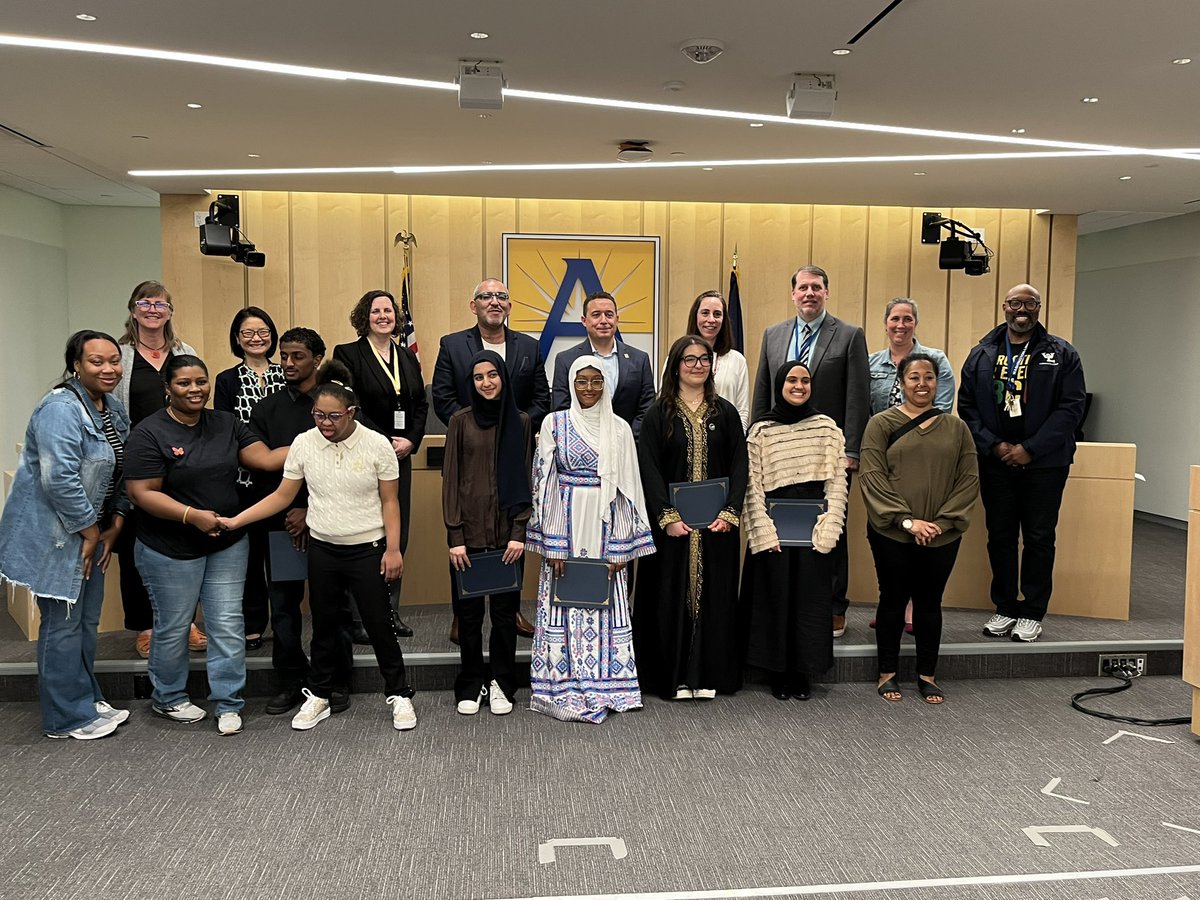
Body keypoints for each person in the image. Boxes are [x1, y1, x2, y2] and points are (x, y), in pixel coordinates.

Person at [218, 361, 418, 733]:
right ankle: (320, 695)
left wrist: (393, 550)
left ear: (351, 413)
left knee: (379, 626)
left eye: (333, 417)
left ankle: (400, 693)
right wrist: (237, 521)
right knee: (324, 627)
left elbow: (390, 501)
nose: (325, 424)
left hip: (368, 549)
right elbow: (282, 496)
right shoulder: (304, 443)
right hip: (324, 550)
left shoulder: (376, 445)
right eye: (318, 416)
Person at [124, 354, 288, 736]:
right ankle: (168, 698)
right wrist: (190, 515)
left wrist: (316, 438)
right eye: (184, 383)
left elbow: (263, 459)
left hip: (227, 542)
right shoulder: (149, 432)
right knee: (174, 625)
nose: (195, 389)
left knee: (228, 623)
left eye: (201, 381)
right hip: (168, 546)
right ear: (168, 387)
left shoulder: (225, 422)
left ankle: (228, 701)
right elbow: (141, 492)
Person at [0, 332, 131, 740]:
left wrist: (112, 527)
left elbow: (122, 469)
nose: (108, 369)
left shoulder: (112, 407)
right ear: (76, 365)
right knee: (62, 624)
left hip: (93, 532)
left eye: (114, 360)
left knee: (85, 622)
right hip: (60, 535)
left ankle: (84, 698)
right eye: (96, 361)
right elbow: (59, 479)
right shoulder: (60, 408)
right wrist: (90, 531)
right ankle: (64, 718)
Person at [526, 356, 656, 723]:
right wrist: (553, 541)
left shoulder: (618, 429)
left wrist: (621, 546)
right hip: (566, 527)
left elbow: (630, 489)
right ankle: (561, 682)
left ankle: (608, 684)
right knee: (564, 600)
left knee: (606, 598)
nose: (588, 388)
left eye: (596, 381)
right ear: (570, 383)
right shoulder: (554, 423)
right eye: (581, 381)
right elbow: (544, 483)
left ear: (607, 385)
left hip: (606, 529)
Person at [958, 283, 1086, 643]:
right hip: (995, 462)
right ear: (1004, 307)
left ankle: (1032, 611)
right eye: (1015, 303)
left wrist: (1031, 448)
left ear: (1039, 308)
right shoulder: (982, 353)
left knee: (1039, 537)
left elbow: (1072, 407)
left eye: (1029, 303)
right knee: (999, 536)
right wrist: (994, 446)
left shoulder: (1061, 354)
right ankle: (1004, 606)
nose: (1022, 309)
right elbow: (966, 406)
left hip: (1045, 464)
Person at [751, 265, 869, 639]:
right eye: (803, 287)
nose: (809, 293)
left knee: (831, 526)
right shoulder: (774, 335)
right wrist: (755, 438)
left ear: (826, 293)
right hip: (778, 453)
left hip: (825, 453)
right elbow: (762, 390)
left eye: (816, 287)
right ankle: (782, 603)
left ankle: (834, 606)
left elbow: (857, 395)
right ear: (793, 294)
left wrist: (851, 449)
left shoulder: (849, 336)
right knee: (778, 525)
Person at [431, 277, 548, 642]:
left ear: (509, 306)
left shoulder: (529, 346)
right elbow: (442, 395)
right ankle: (462, 615)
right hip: (469, 451)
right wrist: (471, 428)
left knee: (507, 537)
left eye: (501, 296)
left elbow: (542, 397)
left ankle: (509, 612)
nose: (494, 302)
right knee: (468, 540)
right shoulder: (452, 344)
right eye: (486, 296)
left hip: (515, 450)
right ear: (474, 305)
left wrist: (513, 429)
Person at [860, 353, 979, 703]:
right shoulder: (880, 424)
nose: (922, 384)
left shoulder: (957, 428)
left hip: (942, 535)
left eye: (929, 377)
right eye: (914, 377)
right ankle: (887, 673)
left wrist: (940, 524)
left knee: (930, 602)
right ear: (900, 383)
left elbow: (968, 479)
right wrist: (908, 521)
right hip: (892, 531)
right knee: (893, 600)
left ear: (937, 382)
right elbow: (871, 477)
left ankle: (927, 674)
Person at [634, 335, 748, 700]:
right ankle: (674, 676)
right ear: (675, 364)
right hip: (673, 529)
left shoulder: (725, 412)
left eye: (704, 359)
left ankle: (708, 673)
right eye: (689, 359)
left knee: (715, 598)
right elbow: (647, 468)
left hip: (717, 527)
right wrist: (666, 517)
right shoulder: (658, 413)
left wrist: (731, 512)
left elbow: (739, 465)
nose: (697, 366)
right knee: (668, 597)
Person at [741, 361, 847, 701]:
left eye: (805, 380)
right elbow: (751, 486)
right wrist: (763, 531)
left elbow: (837, 483)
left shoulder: (827, 428)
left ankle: (802, 672)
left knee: (808, 603)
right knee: (775, 599)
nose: (799, 386)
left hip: (813, 531)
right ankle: (777, 672)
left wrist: (830, 526)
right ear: (779, 385)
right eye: (791, 380)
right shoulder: (761, 430)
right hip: (773, 529)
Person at [113, 280, 203, 659]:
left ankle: (187, 623)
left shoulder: (186, 352)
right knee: (136, 547)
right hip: (136, 461)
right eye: (144, 303)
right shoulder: (119, 354)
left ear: (170, 311)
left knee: (184, 541)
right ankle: (145, 626)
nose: (152, 309)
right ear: (133, 309)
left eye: (160, 304)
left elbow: (197, 399)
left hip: (181, 461)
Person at [332, 289, 427, 640]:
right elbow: (349, 402)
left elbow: (420, 405)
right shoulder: (348, 354)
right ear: (364, 316)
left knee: (395, 535)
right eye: (376, 311)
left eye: (388, 310)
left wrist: (411, 440)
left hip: (400, 457)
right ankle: (360, 619)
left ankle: (390, 614)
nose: (384, 316)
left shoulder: (406, 356)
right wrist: (381, 441)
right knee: (364, 535)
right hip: (364, 456)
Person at [442, 350, 533, 716]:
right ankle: (471, 681)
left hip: (507, 539)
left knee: (503, 615)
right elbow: (450, 482)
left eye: (492, 375)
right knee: (467, 617)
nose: (486, 383)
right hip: (468, 539)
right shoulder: (460, 422)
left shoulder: (522, 421)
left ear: (503, 377)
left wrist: (518, 531)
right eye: (478, 377)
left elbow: (526, 479)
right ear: (471, 383)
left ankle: (501, 681)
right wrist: (455, 537)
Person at [246, 327, 326, 715]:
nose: (289, 363)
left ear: (317, 359)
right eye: (285, 356)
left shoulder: (335, 404)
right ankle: (290, 681)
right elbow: (258, 463)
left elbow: (347, 464)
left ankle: (331, 682)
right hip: (281, 524)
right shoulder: (267, 408)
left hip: (332, 522)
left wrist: (310, 508)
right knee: (283, 608)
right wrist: (293, 508)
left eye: (297, 356)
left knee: (333, 607)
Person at [866, 297, 955, 633]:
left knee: (920, 531)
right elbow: (866, 409)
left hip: (924, 460)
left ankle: (917, 606)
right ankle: (892, 602)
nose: (900, 325)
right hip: (884, 459)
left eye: (907, 319)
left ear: (915, 323)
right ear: (885, 322)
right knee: (890, 532)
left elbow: (940, 410)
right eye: (894, 319)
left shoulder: (936, 360)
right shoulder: (872, 362)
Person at [213, 306, 286, 651]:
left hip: (287, 480)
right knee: (250, 557)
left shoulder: (286, 372)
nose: (256, 339)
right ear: (237, 339)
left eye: (263, 332)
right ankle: (254, 622)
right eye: (248, 333)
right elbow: (226, 428)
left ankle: (286, 623)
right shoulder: (227, 380)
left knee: (284, 556)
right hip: (244, 482)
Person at [551, 291, 656, 439]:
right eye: (596, 315)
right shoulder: (566, 360)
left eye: (609, 314)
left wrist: (625, 440)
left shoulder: (640, 359)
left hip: (629, 447)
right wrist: (589, 442)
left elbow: (647, 408)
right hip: (582, 450)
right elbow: (561, 409)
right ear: (584, 320)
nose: (604, 320)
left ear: (617, 320)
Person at [687, 289, 750, 430]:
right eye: (705, 313)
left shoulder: (737, 360)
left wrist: (737, 441)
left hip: (725, 440)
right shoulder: (678, 356)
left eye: (717, 314)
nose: (711, 320)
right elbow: (666, 401)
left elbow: (742, 411)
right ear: (695, 316)